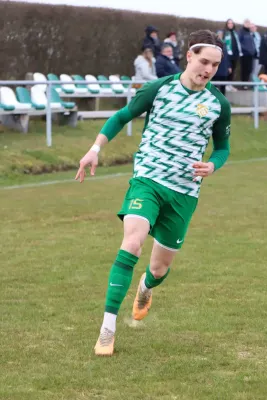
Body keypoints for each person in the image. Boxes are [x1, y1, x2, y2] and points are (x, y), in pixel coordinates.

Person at [76, 30, 232, 357]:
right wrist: (94, 149)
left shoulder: (218, 104)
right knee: (132, 242)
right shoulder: (158, 88)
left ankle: (146, 288)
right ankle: (107, 329)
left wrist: (213, 166)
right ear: (188, 56)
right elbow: (121, 116)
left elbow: (223, 148)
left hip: (184, 193)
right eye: (204, 61)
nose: (208, 69)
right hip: (147, 180)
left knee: (159, 269)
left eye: (215, 65)